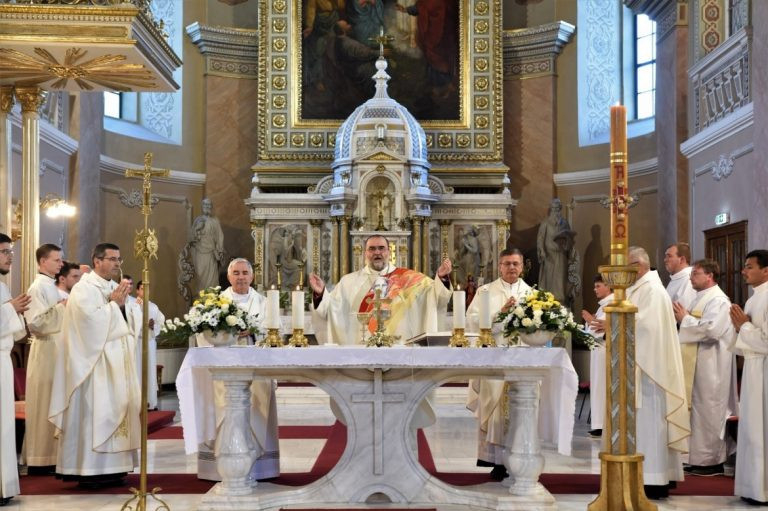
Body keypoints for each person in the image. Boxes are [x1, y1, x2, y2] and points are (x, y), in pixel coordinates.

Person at [49, 243, 139, 488]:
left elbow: (130, 319)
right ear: (97, 261)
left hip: (117, 364)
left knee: (115, 411)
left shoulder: (113, 287)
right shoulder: (84, 289)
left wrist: (123, 307)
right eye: (112, 259)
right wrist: (114, 306)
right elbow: (87, 324)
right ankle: (90, 470)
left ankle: (115, 468)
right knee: (97, 413)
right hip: (93, 366)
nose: (117, 263)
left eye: (119, 259)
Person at [196, 258, 279, 482]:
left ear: (252, 276)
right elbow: (202, 333)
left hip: (257, 367)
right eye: (236, 273)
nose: (241, 277)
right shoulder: (215, 303)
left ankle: (259, 468)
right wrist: (227, 333)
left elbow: (275, 330)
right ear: (229, 276)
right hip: (223, 366)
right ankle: (221, 466)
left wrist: (252, 331)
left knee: (257, 410)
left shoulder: (264, 302)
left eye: (244, 273)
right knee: (223, 409)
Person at [626, 246, 689, 500]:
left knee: (650, 425)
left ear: (638, 266)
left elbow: (648, 328)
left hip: (650, 371)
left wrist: (614, 324)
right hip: (643, 366)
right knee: (645, 426)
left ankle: (653, 479)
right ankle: (653, 476)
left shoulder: (651, 289)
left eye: (626, 267)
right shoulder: (641, 287)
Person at [309, 234, 452, 345]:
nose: (377, 252)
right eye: (372, 249)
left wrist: (442, 278)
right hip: (361, 352)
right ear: (365, 253)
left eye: (381, 248)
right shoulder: (348, 282)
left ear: (389, 252)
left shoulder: (409, 279)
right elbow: (329, 309)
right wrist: (320, 293)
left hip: (399, 350)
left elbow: (435, 296)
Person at [465, 248, 531, 480]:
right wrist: (499, 314)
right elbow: (472, 320)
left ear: (522, 266)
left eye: (515, 263)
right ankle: (497, 461)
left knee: (521, 410)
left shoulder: (533, 294)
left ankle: (521, 458)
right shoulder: (485, 291)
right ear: (500, 266)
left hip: (522, 360)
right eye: (507, 263)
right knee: (494, 410)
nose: (511, 267)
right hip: (494, 357)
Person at [672, 258, 737, 477]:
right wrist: (684, 320)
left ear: (709, 276)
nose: (691, 278)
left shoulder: (719, 301)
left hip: (713, 367)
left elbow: (712, 331)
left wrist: (685, 319)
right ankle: (697, 458)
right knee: (697, 411)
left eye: (696, 274)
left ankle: (712, 462)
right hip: (698, 364)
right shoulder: (701, 297)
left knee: (710, 411)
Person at [729, 249, 768, 505]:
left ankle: (762, 489)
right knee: (752, 430)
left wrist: (743, 325)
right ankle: (752, 486)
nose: (744, 271)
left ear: (766, 270)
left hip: (764, 370)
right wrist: (739, 327)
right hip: (754, 370)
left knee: (761, 429)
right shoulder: (755, 298)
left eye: (749, 266)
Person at [22, 244, 65, 474]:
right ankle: (40, 458)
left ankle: (52, 456)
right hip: (45, 350)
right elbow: (36, 324)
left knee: (53, 401)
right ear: (42, 262)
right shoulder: (37, 287)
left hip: (56, 349)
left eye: (61, 259)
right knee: (44, 403)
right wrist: (62, 308)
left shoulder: (50, 285)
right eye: (56, 260)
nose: (61, 264)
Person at [0, 233, 31, 506]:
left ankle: (4, 485)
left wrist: (13, 311)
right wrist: (10, 309)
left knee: (5, 426)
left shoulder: (2, 286)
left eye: (10, 251)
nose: (10, 256)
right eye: (4, 251)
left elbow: (15, 330)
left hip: (3, 360)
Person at [581, 274, 613, 438]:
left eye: (598, 286)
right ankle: (599, 423)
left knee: (602, 386)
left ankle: (602, 425)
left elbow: (599, 330)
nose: (595, 290)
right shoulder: (603, 306)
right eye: (594, 286)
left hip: (604, 351)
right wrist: (591, 323)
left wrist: (590, 321)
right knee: (598, 386)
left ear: (608, 286)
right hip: (598, 351)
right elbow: (595, 328)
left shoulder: (611, 304)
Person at [134, 280, 165, 410]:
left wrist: (153, 326)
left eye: (147, 288)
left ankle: (151, 402)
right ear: (137, 291)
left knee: (150, 370)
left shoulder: (153, 307)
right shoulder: (133, 305)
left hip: (150, 342)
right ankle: (138, 403)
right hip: (137, 342)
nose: (145, 291)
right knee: (137, 370)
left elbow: (160, 322)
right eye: (142, 288)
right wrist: (142, 325)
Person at [188, 198, 225, 291]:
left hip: (211, 253)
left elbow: (220, 236)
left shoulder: (215, 221)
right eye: (205, 205)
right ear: (202, 206)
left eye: (209, 205)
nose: (207, 207)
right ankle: (201, 297)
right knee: (200, 274)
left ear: (211, 207)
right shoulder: (198, 220)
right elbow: (191, 237)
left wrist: (220, 250)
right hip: (200, 252)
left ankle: (211, 297)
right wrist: (197, 230)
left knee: (212, 277)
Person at [536, 198, 570, 302]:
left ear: (560, 209)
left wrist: (566, 245)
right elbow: (540, 239)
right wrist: (542, 251)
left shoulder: (564, 223)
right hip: (549, 256)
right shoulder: (545, 223)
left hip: (561, 255)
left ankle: (561, 301)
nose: (556, 210)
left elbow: (569, 237)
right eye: (554, 208)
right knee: (549, 279)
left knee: (560, 280)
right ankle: (548, 300)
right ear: (551, 209)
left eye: (558, 208)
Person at [665, 242, 697, 310]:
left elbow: (681, 311)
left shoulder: (689, 279)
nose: (665, 260)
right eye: (666, 257)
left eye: (669, 256)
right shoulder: (676, 277)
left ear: (682, 259)